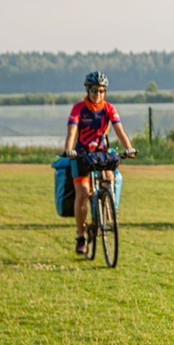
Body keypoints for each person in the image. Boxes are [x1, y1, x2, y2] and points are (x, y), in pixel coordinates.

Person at [64, 71, 137, 254]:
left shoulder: (109, 109)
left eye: (102, 91)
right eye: (95, 90)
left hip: (101, 153)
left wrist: (129, 148)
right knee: (82, 193)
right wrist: (69, 149)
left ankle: (106, 208)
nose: (98, 94)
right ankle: (81, 237)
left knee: (108, 178)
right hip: (81, 154)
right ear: (88, 90)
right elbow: (72, 131)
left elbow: (119, 130)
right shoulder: (78, 109)